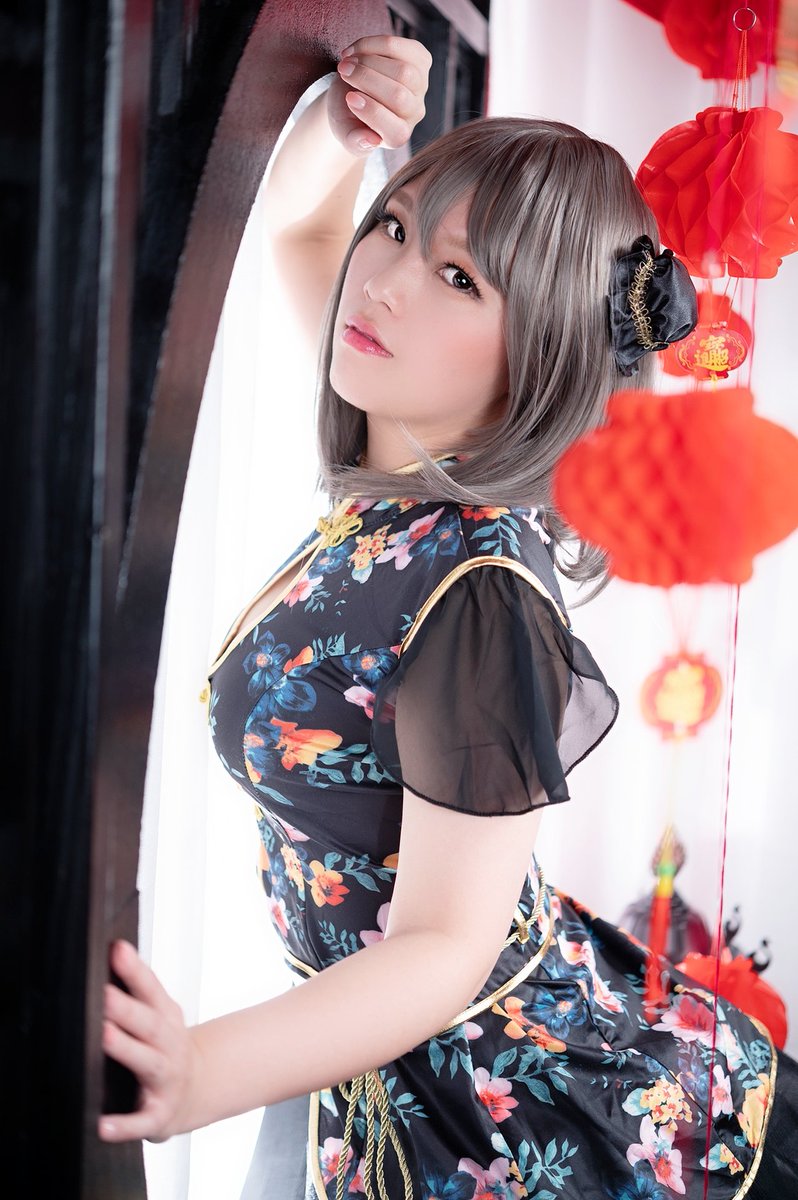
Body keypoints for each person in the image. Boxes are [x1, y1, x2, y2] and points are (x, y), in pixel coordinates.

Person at [99, 33, 797, 1200]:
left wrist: (201, 1070)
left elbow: (443, 946)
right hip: (387, 1073)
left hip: (520, 1112)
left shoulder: (478, 593)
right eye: (397, 227)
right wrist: (343, 125)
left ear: (537, 360)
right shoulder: (402, 475)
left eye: (460, 279)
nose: (383, 281)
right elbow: (305, 234)